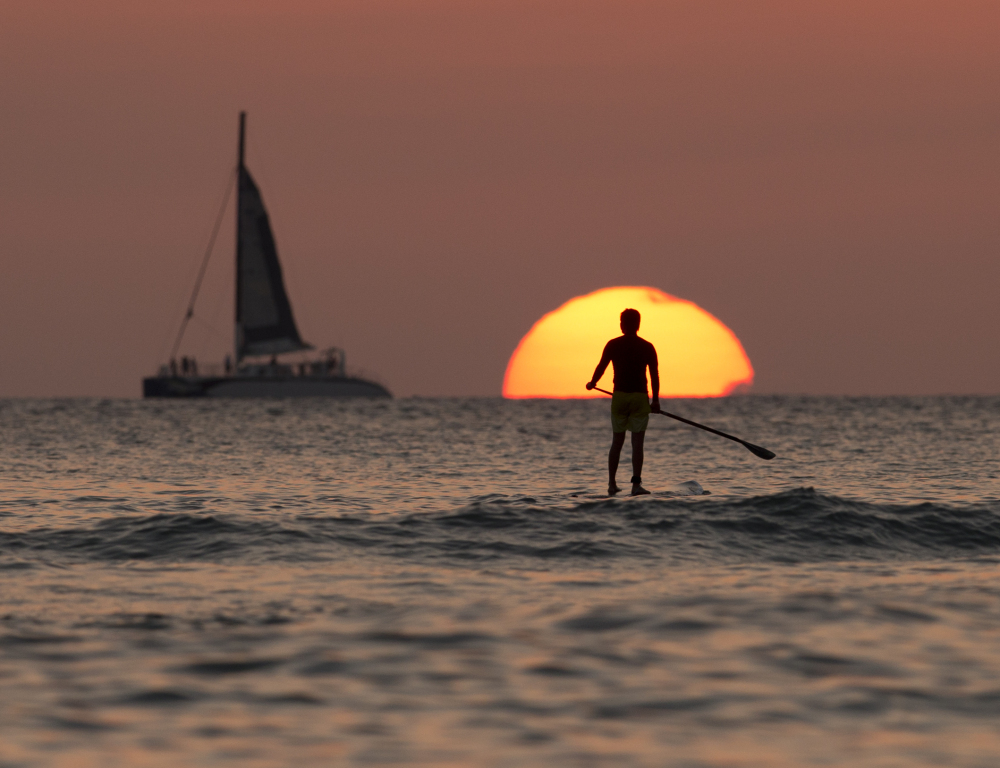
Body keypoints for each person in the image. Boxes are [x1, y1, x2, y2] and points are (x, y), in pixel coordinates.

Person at [586, 308, 660, 496]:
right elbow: (654, 376)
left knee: (617, 441)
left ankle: (612, 484)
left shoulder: (613, 344)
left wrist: (592, 383)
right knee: (637, 443)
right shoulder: (647, 346)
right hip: (639, 398)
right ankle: (636, 486)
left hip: (619, 397)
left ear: (622, 325)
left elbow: (601, 367)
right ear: (638, 325)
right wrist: (656, 401)